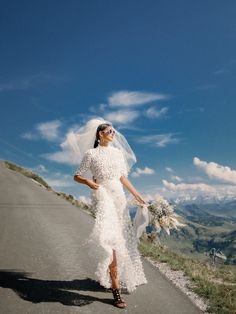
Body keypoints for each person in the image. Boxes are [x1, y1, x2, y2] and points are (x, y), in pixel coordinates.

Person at [73, 119, 148, 309]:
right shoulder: (91, 154)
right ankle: (116, 291)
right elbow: (77, 175)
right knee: (111, 241)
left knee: (120, 239)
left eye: (114, 132)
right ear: (100, 134)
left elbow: (123, 178)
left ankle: (111, 276)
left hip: (119, 199)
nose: (114, 134)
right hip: (103, 197)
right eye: (110, 131)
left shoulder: (118, 154)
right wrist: (89, 183)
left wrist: (137, 195)